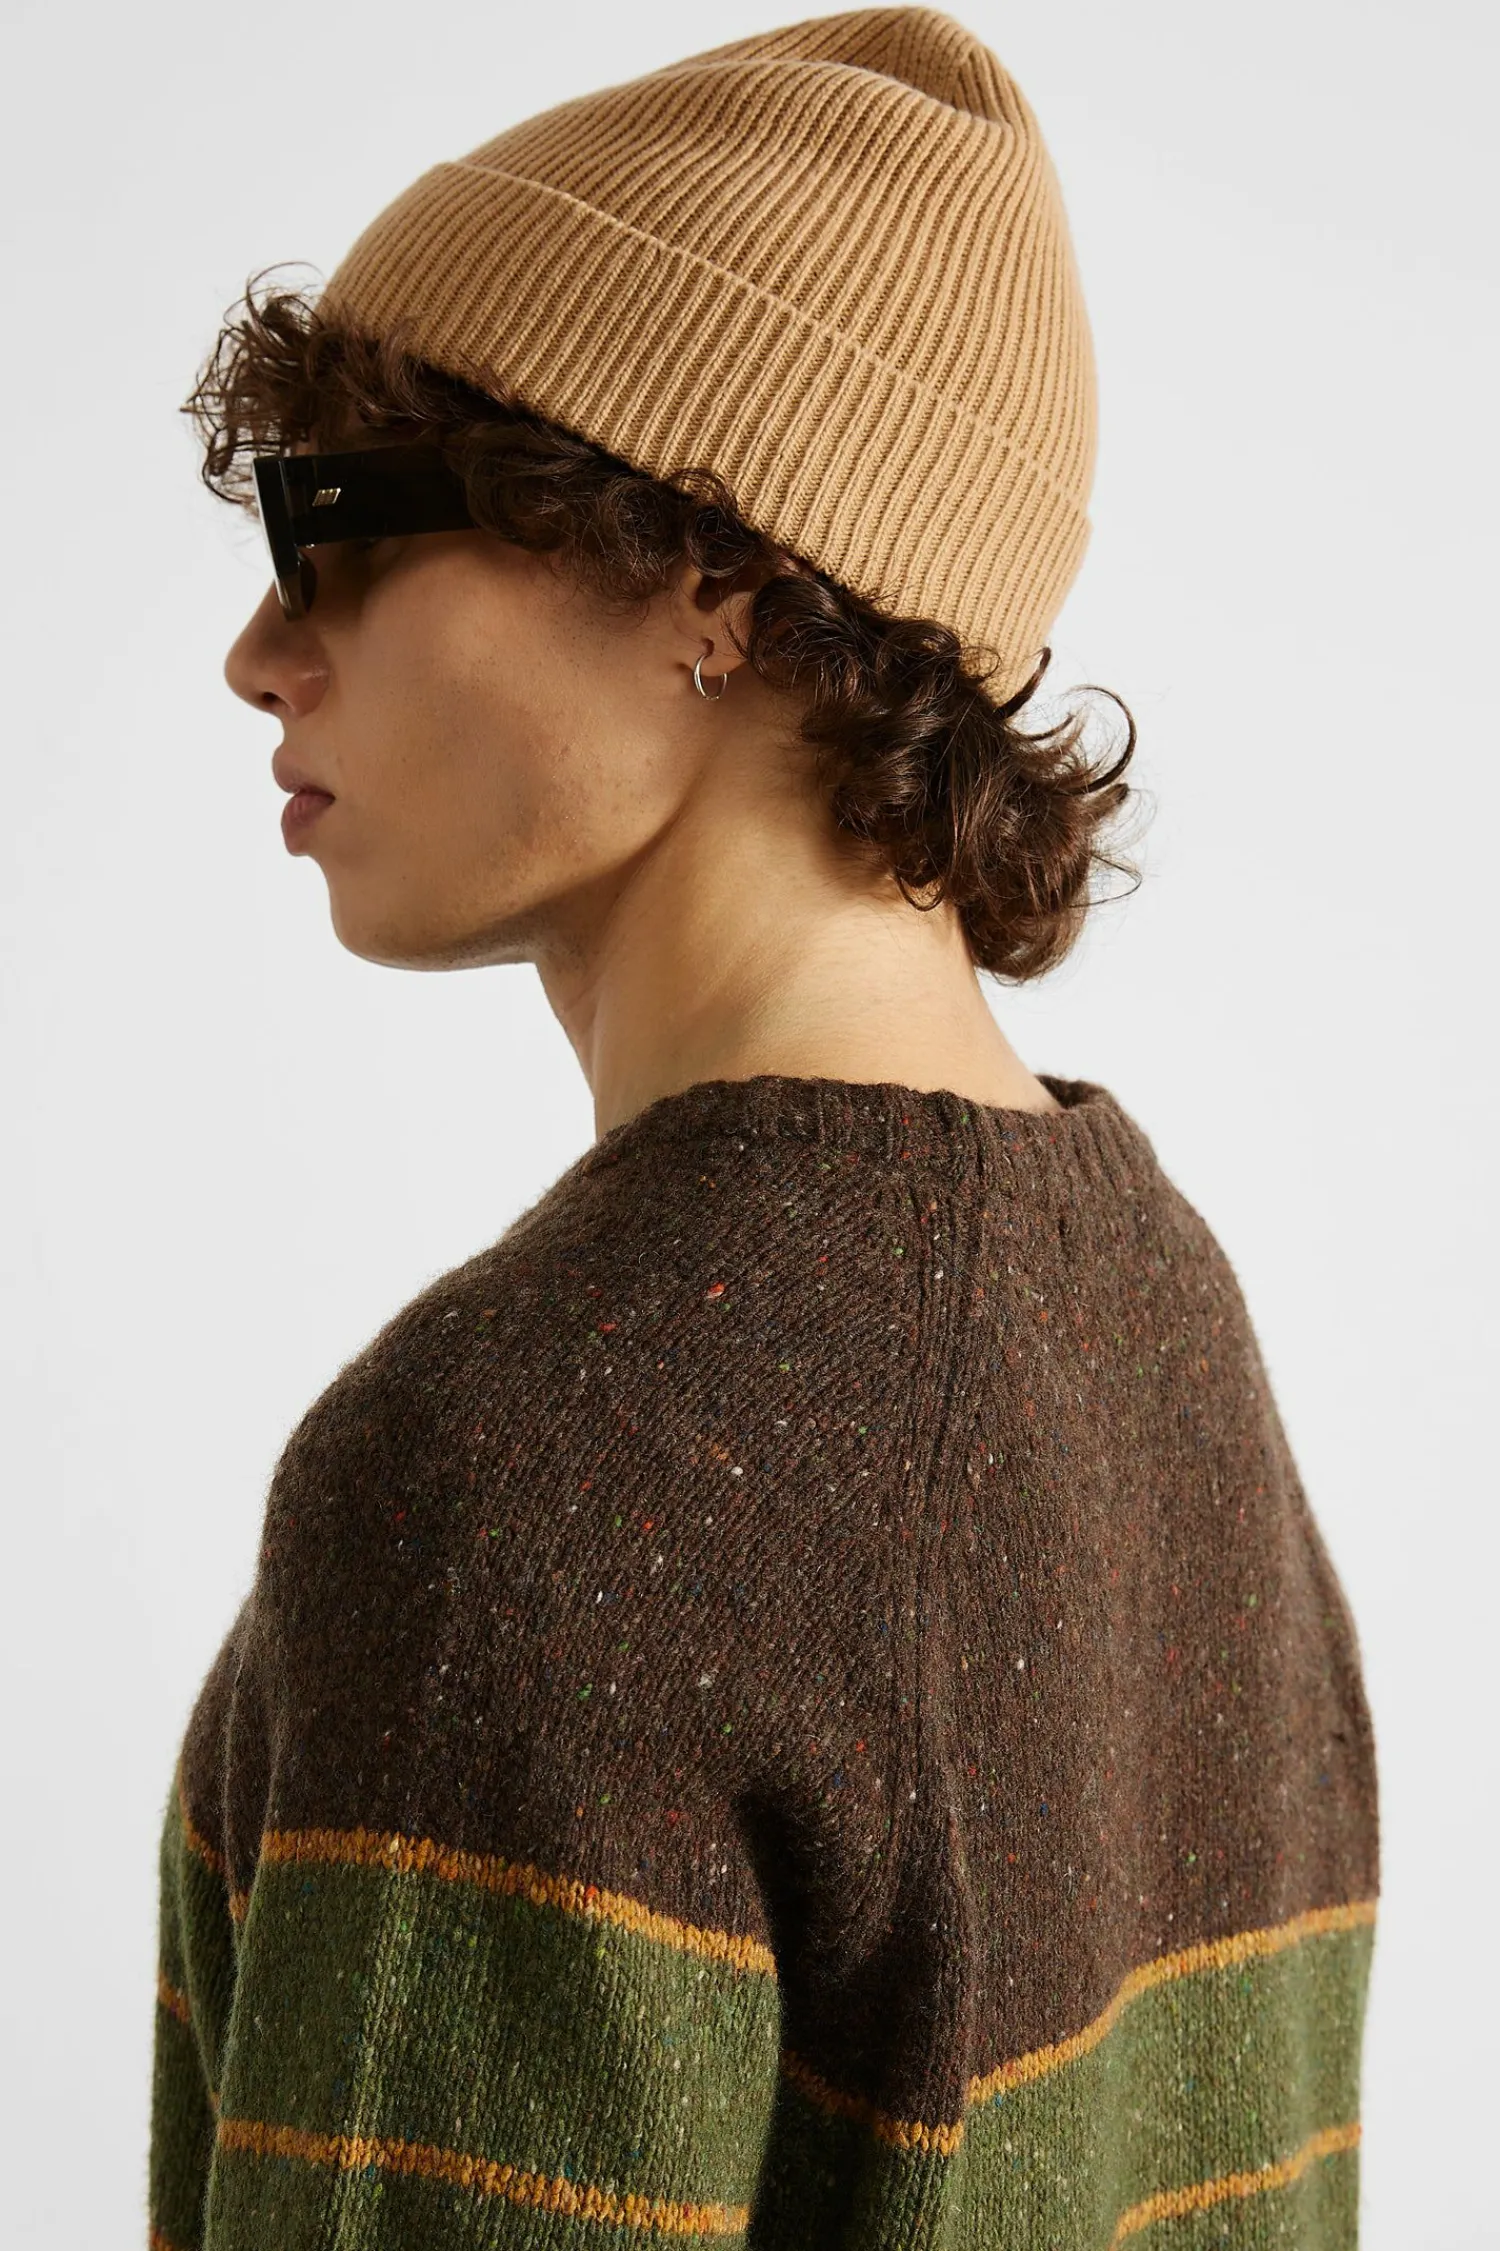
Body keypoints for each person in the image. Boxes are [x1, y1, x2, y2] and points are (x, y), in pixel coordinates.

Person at [148, 11, 1380, 2248]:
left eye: (334, 528)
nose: (260, 649)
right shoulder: (1168, 1326)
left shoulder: (531, 1467)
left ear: (715, 578)